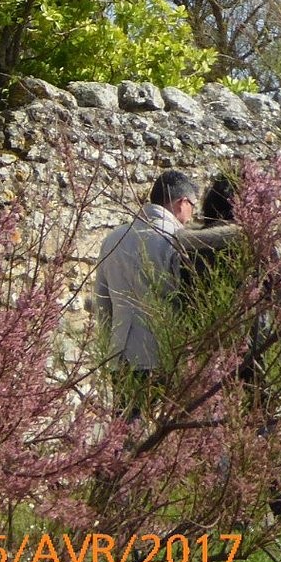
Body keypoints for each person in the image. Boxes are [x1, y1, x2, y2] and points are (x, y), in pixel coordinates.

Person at [92, 170, 238, 413]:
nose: (191, 215)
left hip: (120, 355)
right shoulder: (178, 240)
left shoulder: (113, 238)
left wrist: (109, 350)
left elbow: (103, 302)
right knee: (167, 438)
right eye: (192, 206)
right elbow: (186, 299)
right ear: (182, 203)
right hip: (162, 354)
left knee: (124, 435)